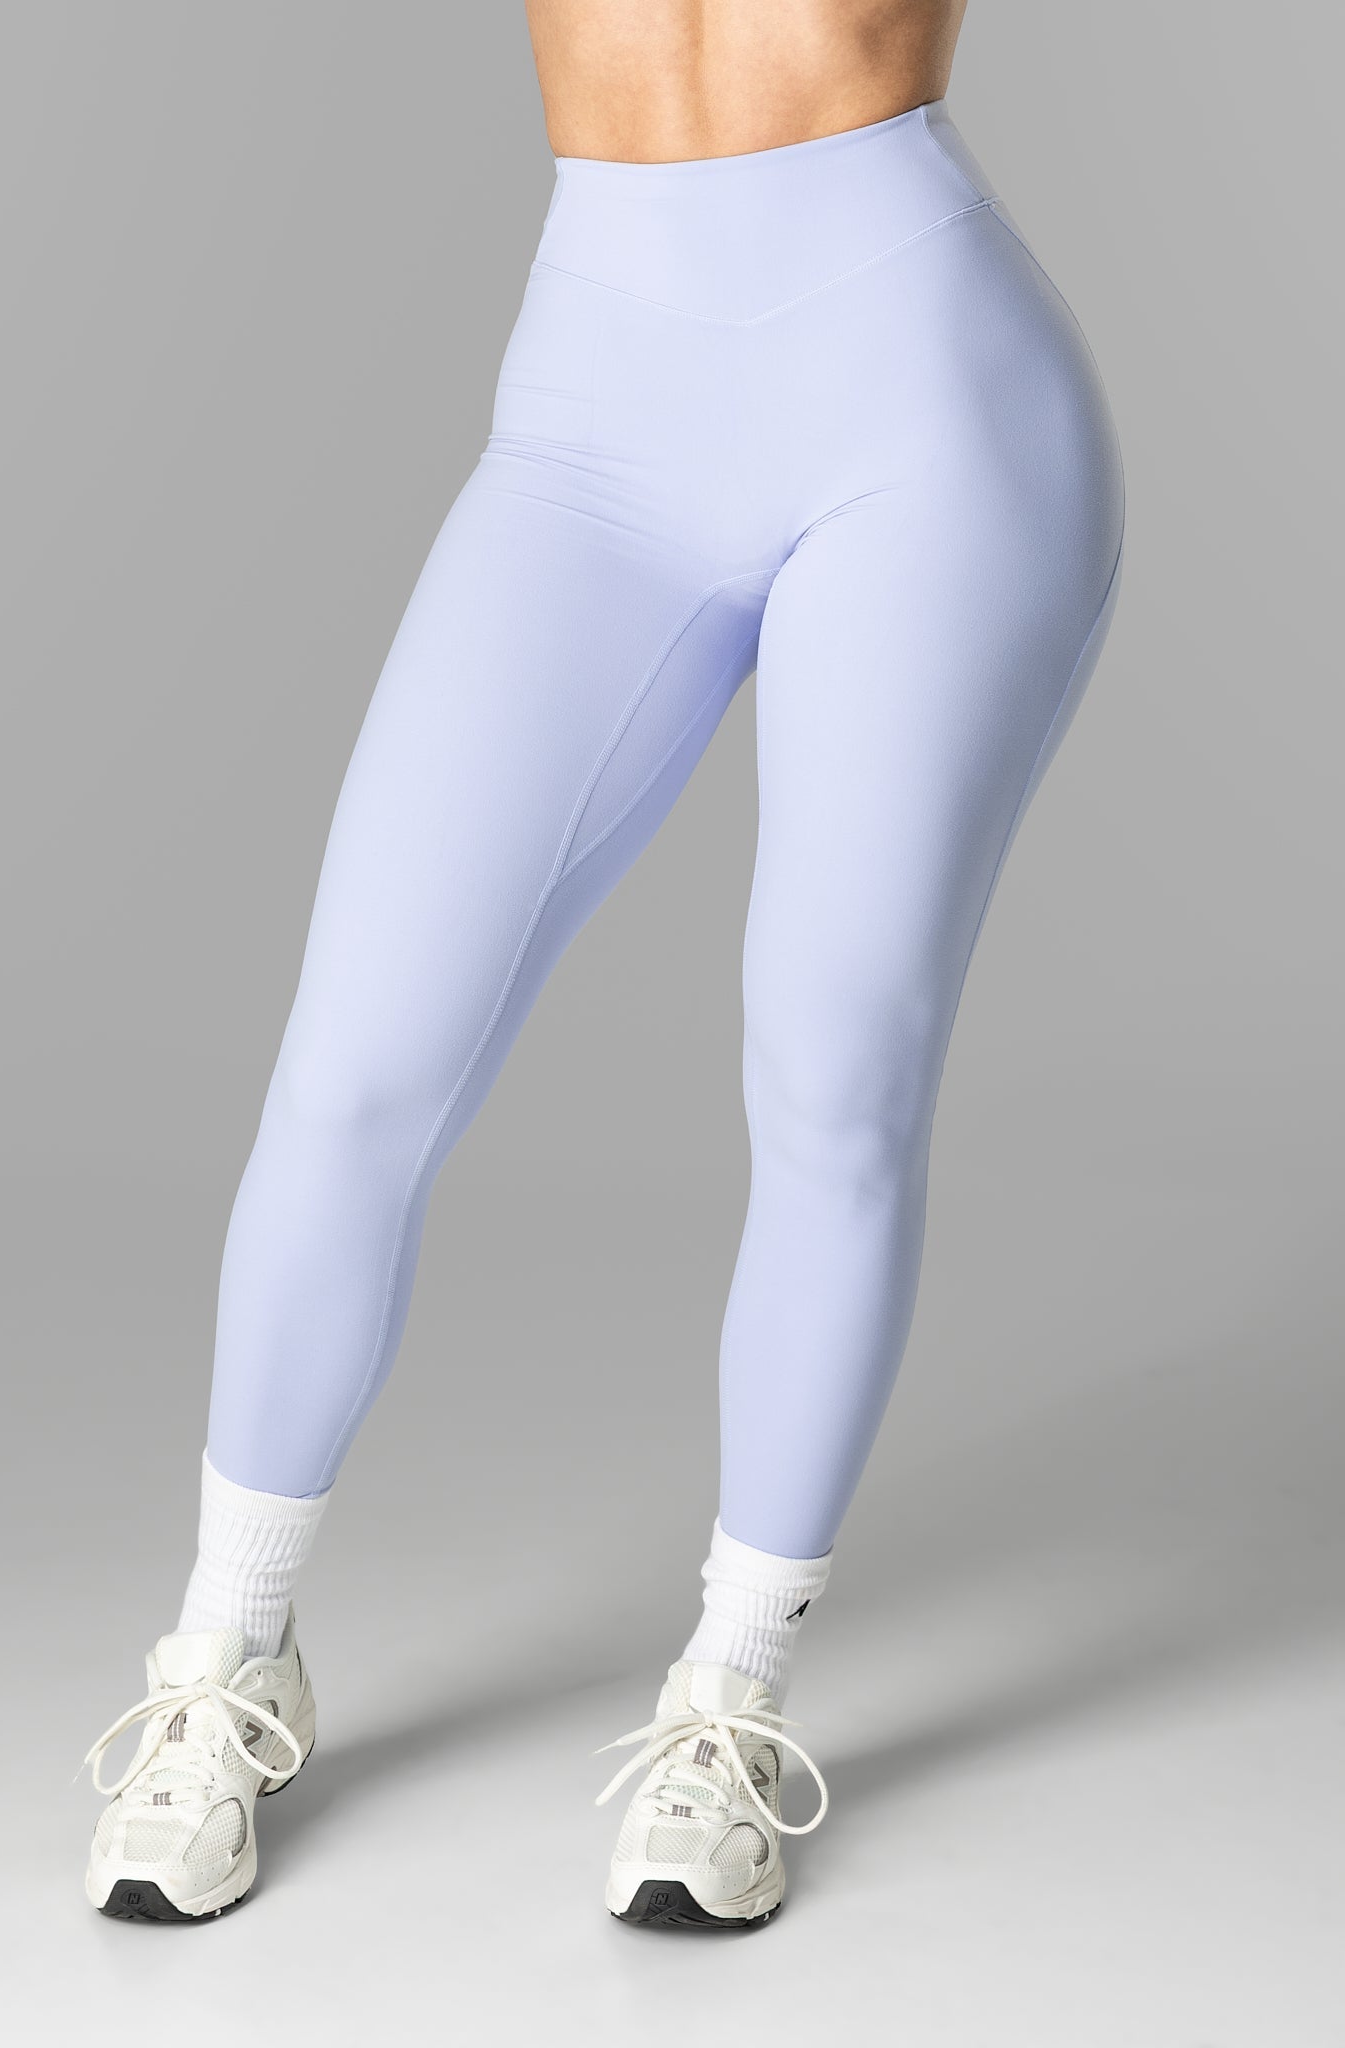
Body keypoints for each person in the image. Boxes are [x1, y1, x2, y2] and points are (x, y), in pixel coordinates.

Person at [80, 0, 1124, 1930]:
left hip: (923, 406)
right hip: (597, 409)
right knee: (357, 1064)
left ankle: (732, 1696)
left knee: (832, 1072)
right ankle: (228, 1655)